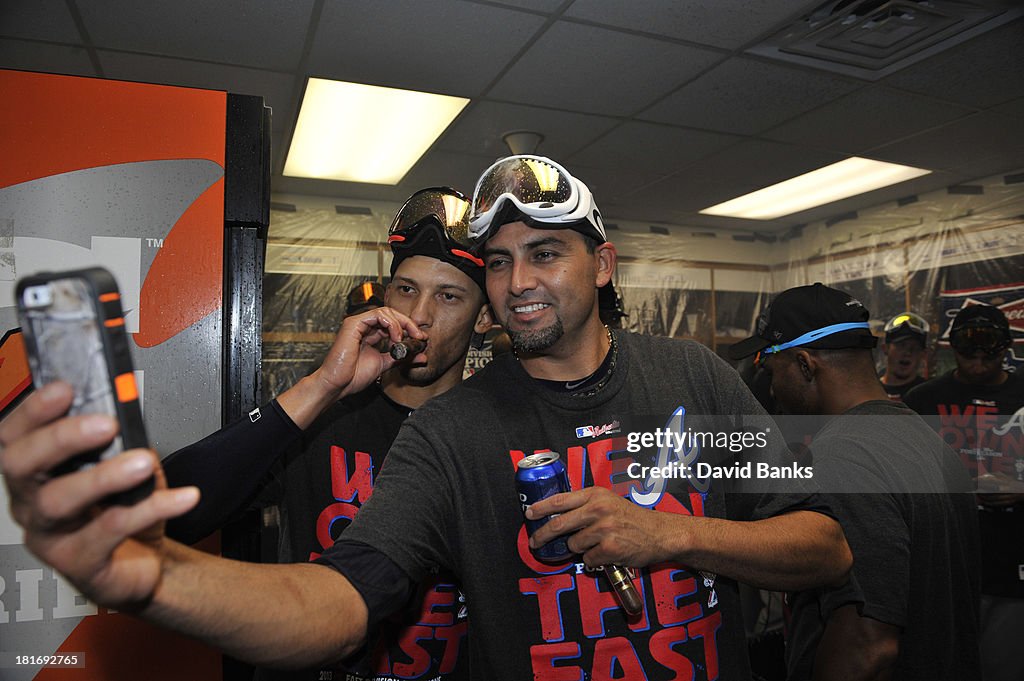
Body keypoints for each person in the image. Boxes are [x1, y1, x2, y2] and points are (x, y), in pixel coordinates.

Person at [0, 155, 851, 680]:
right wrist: (152, 574)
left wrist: (672, 535)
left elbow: (825, 544)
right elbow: (340, 598)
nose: (519, 284)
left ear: (602, 264)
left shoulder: (695, 378)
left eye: (545, 255)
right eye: (504, 263)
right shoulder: (458, 429)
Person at [163, 186, 491, 680]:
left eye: (448, 296)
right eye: (406, 289)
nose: (419, 315)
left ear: (484, 317)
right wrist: (322, 386)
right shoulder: (327, 419)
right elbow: (169, 511)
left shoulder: (492, 435)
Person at [730, 283, 980, 681]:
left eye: (771, 369)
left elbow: (868, 647)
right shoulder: (929, 438)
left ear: (805, 364)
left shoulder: (843, 458)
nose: (772, 389)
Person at [904, 304, 1024, 681]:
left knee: (1001, 665)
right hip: (941, 561)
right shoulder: (922, 401)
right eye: (966, 342)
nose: (977, 353)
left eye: (987, 343)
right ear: (951, 346)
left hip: (1011, 561)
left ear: (1004, 346)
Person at [879, 311, 929, 402]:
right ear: (885, 348)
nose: (907, 353)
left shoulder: (930, 395)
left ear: (923, 354)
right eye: (901, 346)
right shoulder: (868, 391)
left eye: (915, 348)